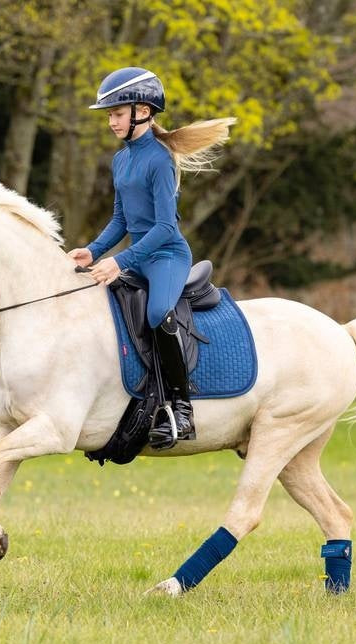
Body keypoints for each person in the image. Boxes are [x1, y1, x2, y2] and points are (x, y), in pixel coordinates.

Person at [67, 66, 235, 448]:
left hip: (166, 256)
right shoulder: (121, 160)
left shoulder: (159, 160)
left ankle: (181, 408)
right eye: (109, 115)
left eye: (116, 113)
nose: (111, 121)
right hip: (138, 255)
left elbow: (163, 228)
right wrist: (91, 250)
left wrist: (120, 261)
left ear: (142, 110)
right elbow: (121, 219)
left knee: (159, 312)